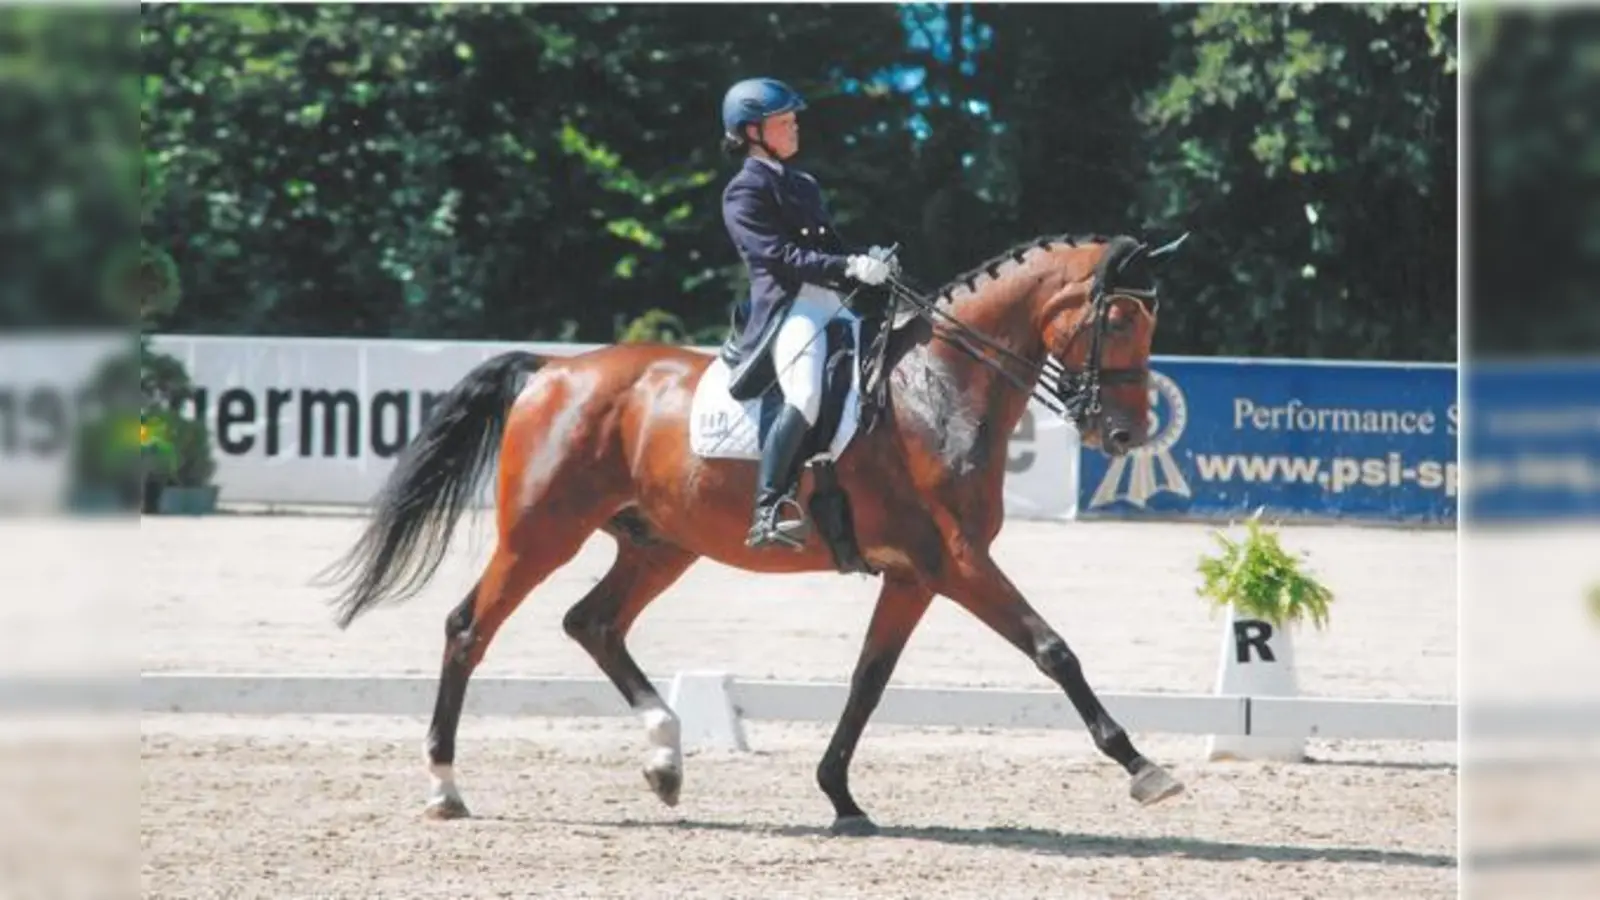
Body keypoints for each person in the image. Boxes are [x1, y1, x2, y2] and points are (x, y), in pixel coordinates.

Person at [717, 76, 894, 550]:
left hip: (830, 304)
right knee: (807, 392)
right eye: (784, 122)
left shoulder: (803, 184)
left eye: (794, 121)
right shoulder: (743, 192)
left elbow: (830, 248)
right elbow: (782, 258)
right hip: (788, 309)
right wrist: (847, 265)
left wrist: (867, 260)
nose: (795, 129)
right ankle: (768, 508)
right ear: (752, 131)